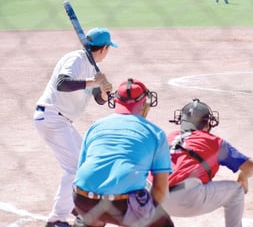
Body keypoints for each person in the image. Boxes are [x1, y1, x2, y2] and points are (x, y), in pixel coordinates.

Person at [33, 27, 117, 227]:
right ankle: (57, 219)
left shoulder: (93, 66)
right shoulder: (76, 59)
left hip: (61, 121)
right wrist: (93, 81)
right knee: (74, 168)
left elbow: (98, 99)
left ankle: (74, 204)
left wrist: (104, 91)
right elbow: (62, 83)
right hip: (52, 117)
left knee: (86, 162)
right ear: (104, 48)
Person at [72, 78, 174, 227]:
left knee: (92, 215)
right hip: (122, 205)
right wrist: (146, 216)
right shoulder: (155, 133)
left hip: (82, 199)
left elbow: (81, 171)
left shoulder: (96, 126)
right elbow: (160, 189)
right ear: (144, 104)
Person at [162, 98, 253, 227]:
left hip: (155, 199)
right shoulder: (213, 141)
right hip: (188, 197)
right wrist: (243, 177)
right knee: (236, 191)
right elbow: (250, 166)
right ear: (207, 124)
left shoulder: (169, 137)